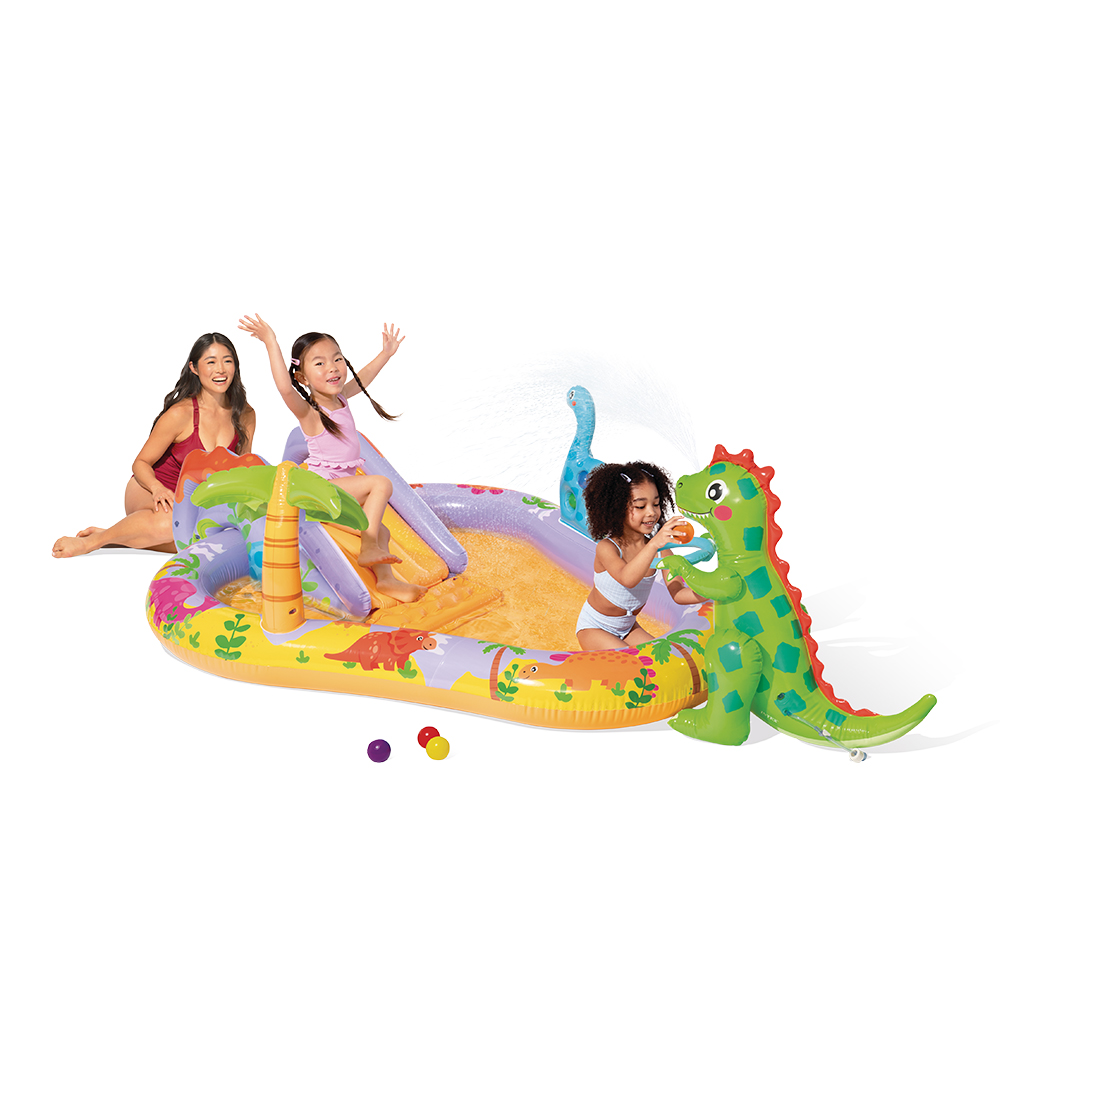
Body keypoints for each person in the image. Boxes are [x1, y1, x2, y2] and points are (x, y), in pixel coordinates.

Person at [238, 313, 424, 604]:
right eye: (320, 363)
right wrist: (270, 341)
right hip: (320, 493)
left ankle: (386, 580)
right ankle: (368, 546)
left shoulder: (341, 398)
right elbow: (284, 388)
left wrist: (385, 354)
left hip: (340, 489)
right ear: (302, 377)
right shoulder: (310, 412)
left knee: (383, 531)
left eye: (337, 359)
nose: (333, 367)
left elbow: (363, 377)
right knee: (381, 484)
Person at [52, 333, 255, 558]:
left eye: (227, 361)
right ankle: (93, 542)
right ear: (194, 368)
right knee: (171, 524)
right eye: (211, 362)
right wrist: (157, 488)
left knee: (203, 541)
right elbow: (140, 463)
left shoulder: (245, 414)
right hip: (152, 488)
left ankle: (119, 536)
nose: (221, 369)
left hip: (193, 503)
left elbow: (242, 470)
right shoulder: (180, 414)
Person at [575, 461, 706, 650]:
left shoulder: (661, 549)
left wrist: (712, 590)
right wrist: (654, 543)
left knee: (666, 656)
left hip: (628, 628)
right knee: (632, 664)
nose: (652, 512)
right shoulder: (608, 548)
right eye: (640, 506)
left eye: (656, 504)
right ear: (617, 508)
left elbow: (678, 594)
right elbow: (627, 578)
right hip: (595, 628)